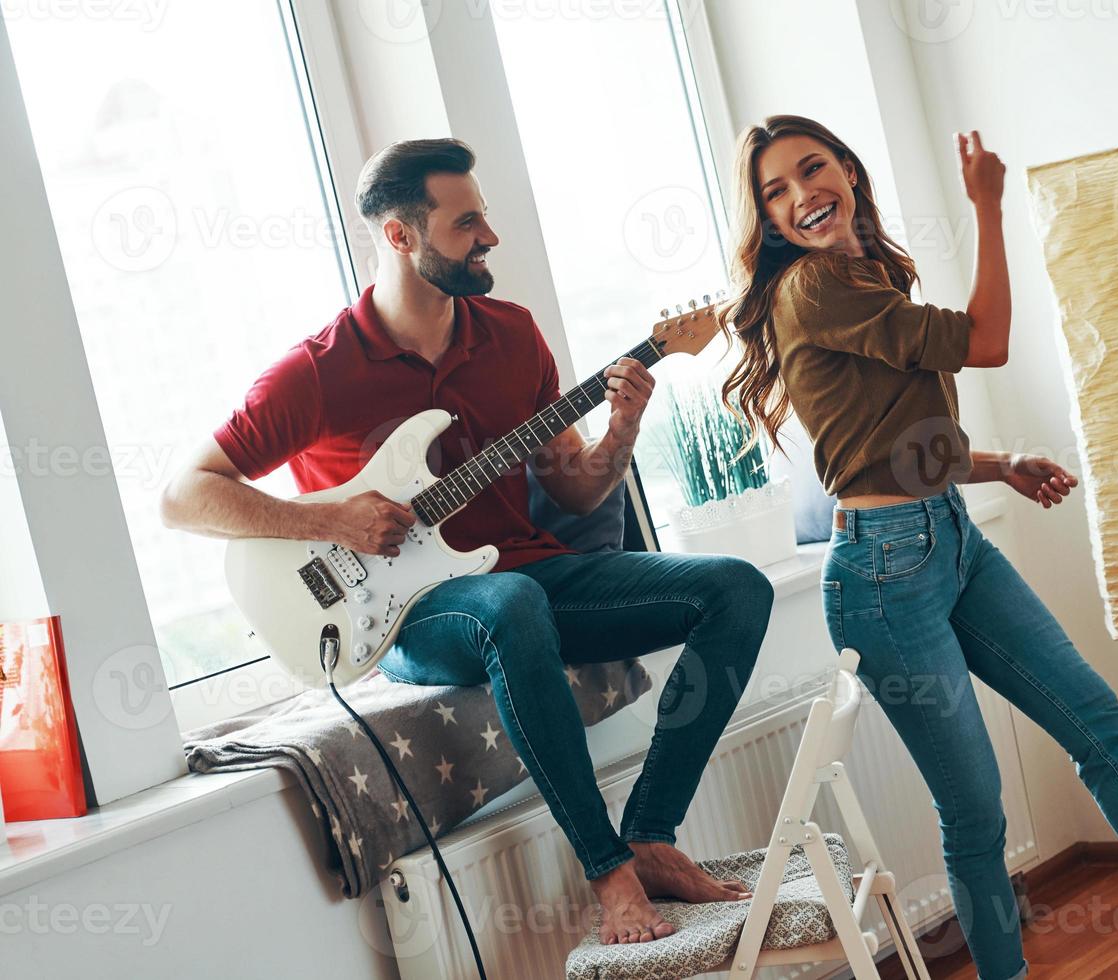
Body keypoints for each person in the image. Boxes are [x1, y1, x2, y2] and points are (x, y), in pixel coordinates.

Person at [718, 114, 1118, 978]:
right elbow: (985, 343)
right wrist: (987, 207)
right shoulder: (811, 288)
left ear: (845, 168)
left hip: (943, 538)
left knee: (1098, 725)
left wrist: (995, 465)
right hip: (881, 574)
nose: (803, 194)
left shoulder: (862, 274)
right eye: (777, 189)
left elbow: (886, 441)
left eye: (813, 168)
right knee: (977, 815)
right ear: (766, 219)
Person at [161, 138, 774, 945]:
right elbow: (184, 496)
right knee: (508, 605)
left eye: (483, 218)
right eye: (467, 222)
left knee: (736, 588)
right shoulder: (316, 371)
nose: (489, 236)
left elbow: (574, 487)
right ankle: (609, 873)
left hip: (530, 578)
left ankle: (651, 836)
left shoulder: (512, 336)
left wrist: (622, 427)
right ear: (401, 237)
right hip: (408, 616)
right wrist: (329, 520)